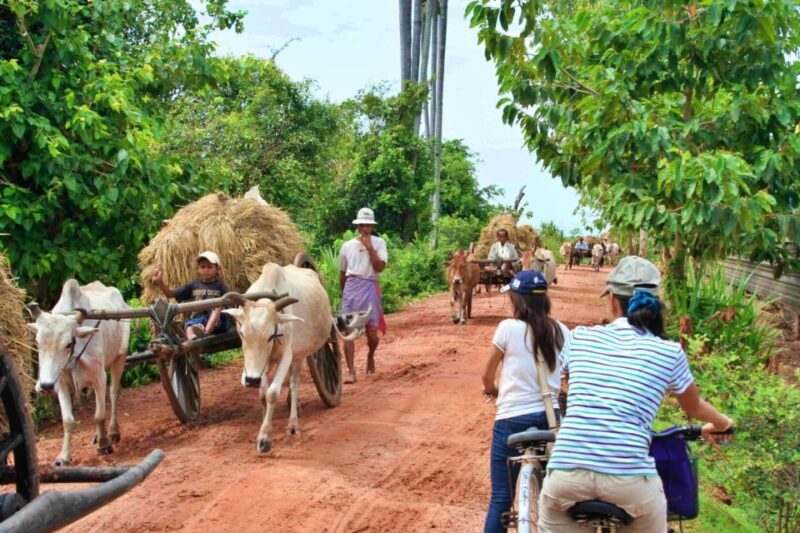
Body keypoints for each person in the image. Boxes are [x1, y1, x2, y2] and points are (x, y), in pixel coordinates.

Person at [538, 256, 734, 533]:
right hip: (630, 483)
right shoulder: (669, 352)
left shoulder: (580, 337)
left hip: (567, 476)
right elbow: (694, 407)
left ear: (613, 301)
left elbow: (569, 382)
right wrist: (724, 424)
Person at [481, 269, 570, 533]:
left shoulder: (507, 328)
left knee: (500, 498)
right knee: (552, 495)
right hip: (549, 418)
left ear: (517, 300)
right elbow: (570, 374)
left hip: (511, 419)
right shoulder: (561, 331)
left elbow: (486, 374)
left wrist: (492, 390)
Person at [339, 207, 388, 384]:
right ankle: (351, 371)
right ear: (358, 227)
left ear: (372, 227)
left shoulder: (379, 243)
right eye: (363, 225)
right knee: (348, 332)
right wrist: (344, 294)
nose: (366, 229)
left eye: (369, 225)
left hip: (369, 286)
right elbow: (343, 273)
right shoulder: (346, 246)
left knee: (372, 334)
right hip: (351, 288)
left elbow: (380, 267)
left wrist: (370, 249)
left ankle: (371, 354)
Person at [152, 251, 229, 344]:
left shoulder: (221, 286)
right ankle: (193, 340)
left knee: (218, 306)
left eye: (209, 267)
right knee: (189, 326)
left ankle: (205, 332)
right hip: (198, 321)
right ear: (198, 269)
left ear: (218, 269)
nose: (206, 269)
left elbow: (229, 302)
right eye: (203, 267)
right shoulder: (193, 285)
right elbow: (170, 294)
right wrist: (160, 282)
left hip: (218, 322)